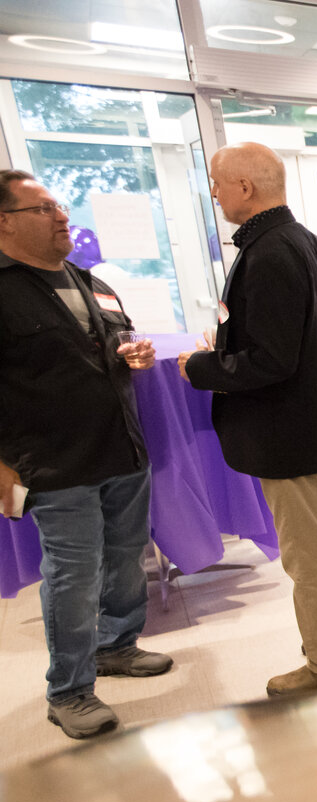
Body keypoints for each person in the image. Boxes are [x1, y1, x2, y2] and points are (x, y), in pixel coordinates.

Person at [179, 142, 317, 696]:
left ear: (245, 188)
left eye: (218, 183)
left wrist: (201, 367)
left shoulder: (269, 252)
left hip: (287, 431)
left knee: (307, 552)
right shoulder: (305, 242)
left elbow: (271, 360)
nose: (214, 192)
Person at [0, 170, 171, 738]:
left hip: (122, 448)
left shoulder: (87, 280)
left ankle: (116, 646)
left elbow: (114, 348)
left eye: (60, 207)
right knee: (73, 577)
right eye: (44, 208)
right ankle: (69, 690)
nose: (62, 217)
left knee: (125, 558)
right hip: (55, 462)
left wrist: (134, 354)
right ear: (5, 221)